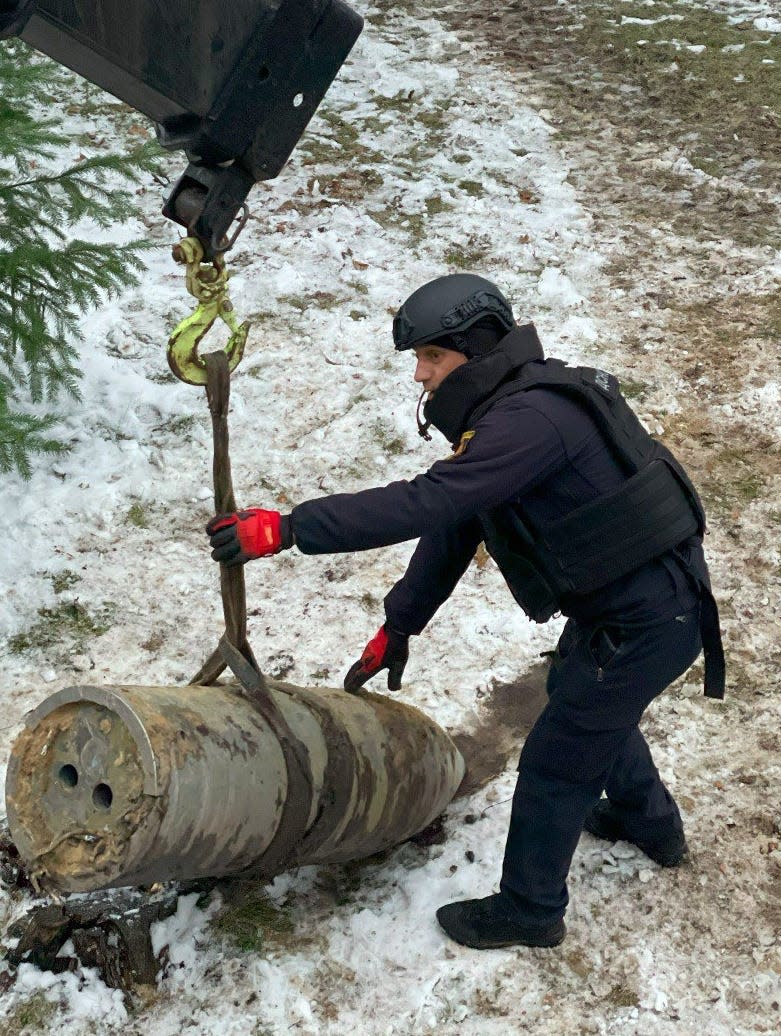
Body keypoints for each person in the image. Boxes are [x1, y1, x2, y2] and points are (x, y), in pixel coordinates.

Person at [206, 273, 725, 951]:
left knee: (558, 762)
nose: (420, 376)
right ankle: (648, 823)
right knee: (584, 699)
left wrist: (289, 528)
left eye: (431, 358)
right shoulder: (513, 411)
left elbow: (426, 502)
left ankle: (531, 908)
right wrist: (399, 623)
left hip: (648, 620)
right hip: (634, 609)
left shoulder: (530, 423)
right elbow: (457, 524)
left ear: (474, 350)